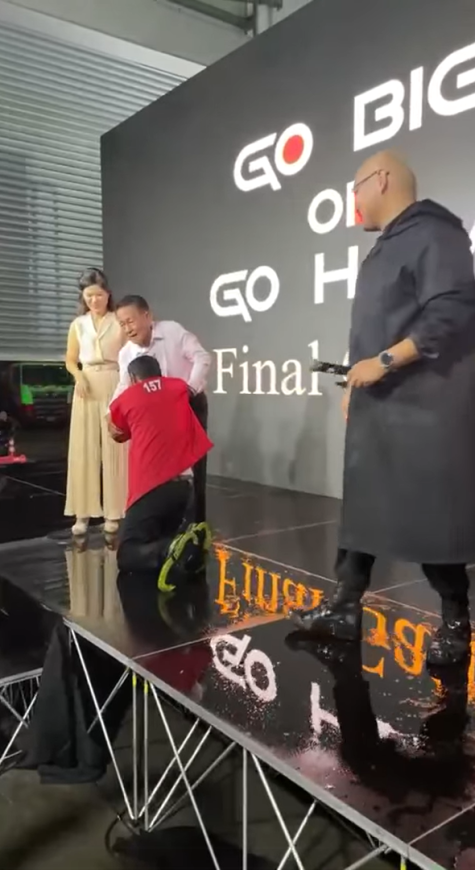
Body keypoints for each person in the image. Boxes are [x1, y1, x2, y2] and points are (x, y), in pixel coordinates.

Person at [291, 150, 475, 667]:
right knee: (364, 507)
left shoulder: (436, 233)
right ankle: (345, 607)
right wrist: (358, 380)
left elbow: (452, 311)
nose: (353, 199)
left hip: (425, 408)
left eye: (356, 187)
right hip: (382, 403)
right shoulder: (387, 245)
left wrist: (386, 361)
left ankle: (456, 621)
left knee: (432, 514)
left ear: (382, 179)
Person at [108, 355, 213, 578]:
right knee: (160, 536)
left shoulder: (127, 398)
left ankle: (169, 549)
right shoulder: (179, 387)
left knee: (127, 554)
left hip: (150, 487)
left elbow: (116, 432)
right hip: (184, 486)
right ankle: (186, 549)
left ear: (133, 378)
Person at [111, 295, 211, 523]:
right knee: (161, 472)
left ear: (147, 316)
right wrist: (111, 414)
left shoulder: (172, 331)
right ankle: (169, 526)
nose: (127, 329)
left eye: (131, 321)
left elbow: (202, 357)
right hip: (155, 417)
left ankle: (196, 527)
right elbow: (123, 386)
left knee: (193, 470)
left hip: (188, 404)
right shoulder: (126, 353)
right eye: (122, 324)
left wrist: (189, 389)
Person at [65, 268, 127, 536]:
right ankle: (83, 513)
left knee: (116, 449)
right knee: (84, 449)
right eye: (89, 295)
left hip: (114, 382)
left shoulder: (118, 320)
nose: (94, 300)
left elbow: (130, 354)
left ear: (108, 294)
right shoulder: (78, 325)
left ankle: (115, 512)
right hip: (86, 386)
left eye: (99, 295)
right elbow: (70, 359)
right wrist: (79, 376)